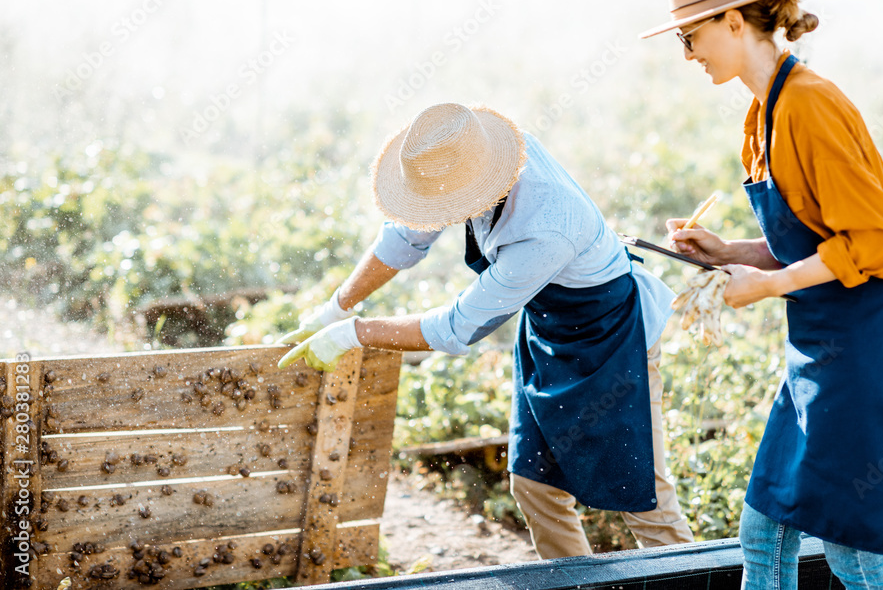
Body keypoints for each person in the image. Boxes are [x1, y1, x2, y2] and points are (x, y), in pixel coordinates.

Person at [277, 102, 694, 559]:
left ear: (480, 188)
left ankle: (692, 574)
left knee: (644, 495)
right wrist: (333, 309)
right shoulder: (466, 156)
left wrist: (353, 333)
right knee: (535, 484)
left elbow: (458, 326)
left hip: (613, 341)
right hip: (550, 333)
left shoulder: (546, 225)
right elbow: (403, 238)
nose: (438, 213)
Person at [639, 0, 883, 590]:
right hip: (822, 343)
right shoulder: (760, 115)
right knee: (765, 529)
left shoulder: (810, 104)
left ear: (735, 20)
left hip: (868, 343)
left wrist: (767, 284)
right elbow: (813, 240)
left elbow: (878, 241)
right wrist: (728, 251)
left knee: (848, 543)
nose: (688, 55)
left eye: (692, 36)